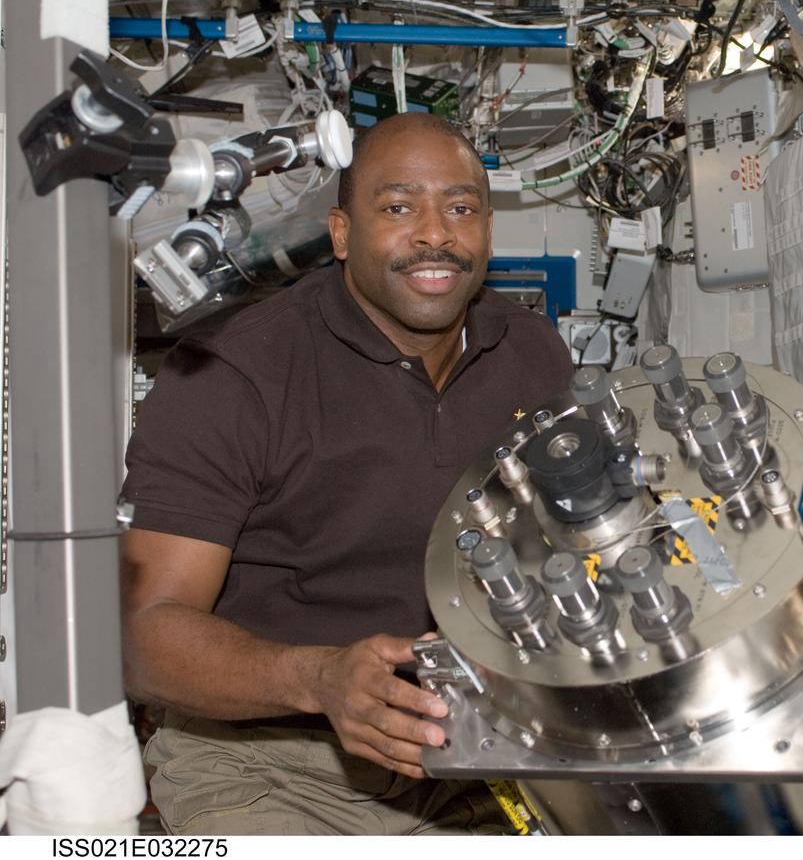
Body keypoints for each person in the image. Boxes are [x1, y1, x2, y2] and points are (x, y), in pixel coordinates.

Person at [119, 112, 574, 835]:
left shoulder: (533, 354)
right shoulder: (233, 373)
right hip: (270, 765)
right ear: (340, 234)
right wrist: (318, 679)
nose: (435, 235)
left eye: (461, 209)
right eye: (398, 208)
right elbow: (143, 635)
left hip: (478, 755)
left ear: (488, 231)